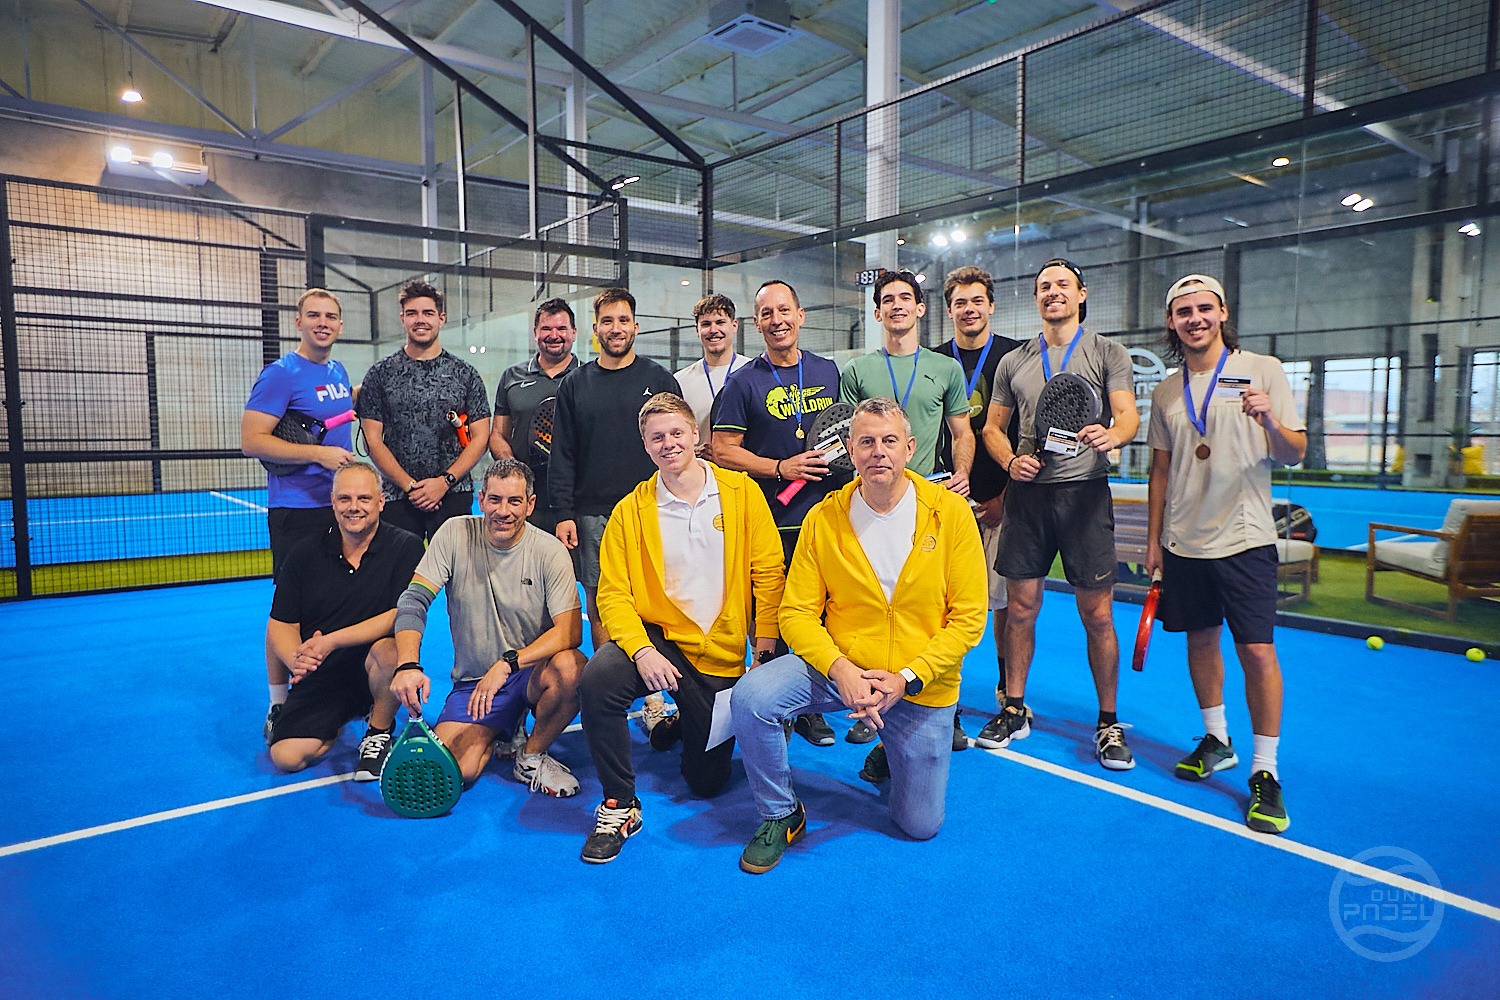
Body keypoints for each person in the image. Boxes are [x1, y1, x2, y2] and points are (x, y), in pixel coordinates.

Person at [729, 398, 986, 873]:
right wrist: (840, 669)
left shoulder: (951, 513)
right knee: (751, 698)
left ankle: (891, 749)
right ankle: (781, 813)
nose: (878, 451)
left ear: (910, 447)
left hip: (919, 684)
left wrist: (908, 677)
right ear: (850, 450)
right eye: (866, 442)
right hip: (842, 669)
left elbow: (969, 618)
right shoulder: (824, 517)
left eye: (889, 441)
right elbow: (796, 613)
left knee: (919, 825)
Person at [577, 393, 785, 863]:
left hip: (721, 656)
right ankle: (619, 804)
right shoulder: (630, 511)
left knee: (707, 781)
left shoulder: (742, 493)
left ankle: (682, 721)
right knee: (599, 679)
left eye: (676, 433)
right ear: (645, 446)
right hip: (660, 641)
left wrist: (765, 651)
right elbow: (612, 594)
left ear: (696, 435)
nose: (668, 443)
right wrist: (641, 650)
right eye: (657, 437)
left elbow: (769, 575)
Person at [1146, 274, 1306, 835]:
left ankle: (1265, 769)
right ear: (1172, 322)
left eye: (1204, 309)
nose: (1195, 318)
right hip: (1184, 541)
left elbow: (1294, 452)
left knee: (1257, 652)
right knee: (1200, 641)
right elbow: (1161, 469)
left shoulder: (1264, 370)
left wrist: (1268, 420)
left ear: (1222, 313)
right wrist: (1154, 540)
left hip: (1245, 537)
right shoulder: (1167, 392)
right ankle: (1217, 739)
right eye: (1183, 311)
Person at [980, 258, 1141, 770]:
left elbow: (1128, 414)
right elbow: (992, 428)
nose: (1053, 292)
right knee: (1020, 608)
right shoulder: (1015, 361)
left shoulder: (1107, 352)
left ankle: (1108, 721)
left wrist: (1112, 435)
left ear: (1081, 294)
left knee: (1098, 614)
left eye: (1063, 285)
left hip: (1086, 495)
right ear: (1036, 298)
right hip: (1028, 497)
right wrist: (1011, 461)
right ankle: (1014, 707)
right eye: (1044, 286)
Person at [390, 459, 587, 796]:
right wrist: (407, 664)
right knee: (457, 771)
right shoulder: (453, 533)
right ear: (481, 499)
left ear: (530, 504)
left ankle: (531, 755)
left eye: (514, 501)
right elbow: (413, 600)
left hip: (530, 672)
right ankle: (505, 729)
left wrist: (508, 663)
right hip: (475, 682)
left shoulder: (550, 551)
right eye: (494, 499)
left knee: (573, 669)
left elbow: (570, 633)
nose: (503, 511)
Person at [839, 268, 974, 753]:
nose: (896, 305)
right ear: (877, 313)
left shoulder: (946, 368)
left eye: (905, 298)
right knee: (881, 605)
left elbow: (962, 432)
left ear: (919, 308)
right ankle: (875, 703)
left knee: (936, 610)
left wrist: (963, 474)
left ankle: (943, 706)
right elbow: (849, 438)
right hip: (874, 504)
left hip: (927, 504)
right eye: (887, 300)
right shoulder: (857, 370)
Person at [712, 279, 847, 747]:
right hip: (773, 522)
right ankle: (777, 704)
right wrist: (779, 467)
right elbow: (722, 448)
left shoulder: (828, 371)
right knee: (776, 617)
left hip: (826, 517)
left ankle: (811, 707)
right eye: (767, 314)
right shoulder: (743, 381)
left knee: (823, 614)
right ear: (756, 324)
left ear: (801, 315)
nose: (777, 320)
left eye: (784, 310)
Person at [242, 287, 358, 743]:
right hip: (296, 509)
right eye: (314, 315)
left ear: (340, 325)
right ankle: (278, 703)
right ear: (299, 322)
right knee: (288, 609)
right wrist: (317, 455)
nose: (322, 323)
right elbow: (252, 440)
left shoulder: (337, 371)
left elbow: (333, 417)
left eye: (330, 316)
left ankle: (329, 691)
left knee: (333, 603)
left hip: (339, 509)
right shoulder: (280, 374)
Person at [266, 462, 424, 782]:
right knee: (286, 757)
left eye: (364, 498)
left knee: (391, 650)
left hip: (373, 667)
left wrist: (330, 641)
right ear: (333, 501)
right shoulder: (304, 552)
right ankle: (315, 714)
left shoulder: (405, 546)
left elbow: (400, 614)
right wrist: (298, 660)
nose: (354, 507)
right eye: (345, 499)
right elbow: (280, 623)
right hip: (323, 671)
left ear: (381, 502)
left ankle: (378, 732)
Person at [549, 287, 683, 652]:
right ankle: (609, 679)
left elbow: (677, 449)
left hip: (652, 510)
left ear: (636, 326)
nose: (616, 328)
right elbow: (562, 453)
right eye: (607, 321)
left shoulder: (660, 381)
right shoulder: (575, 384)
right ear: (596, 329)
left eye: (623, 320)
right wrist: (564, 513)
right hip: (592, 514)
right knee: (600, 603)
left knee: (656, 600)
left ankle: (656, 679)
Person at [933, 266, 1022, 748]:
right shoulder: (933, 360)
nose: (969, 310)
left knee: (1004, 604)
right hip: (947, 502)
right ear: (948, 310)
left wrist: (1004, 500)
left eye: (976, 301)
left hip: (1003, 502)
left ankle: (1008, 692)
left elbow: (1025, 436)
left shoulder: (1015, 356)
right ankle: (943, 698)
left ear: (991, 305)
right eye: (960, 303)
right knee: (942, 605)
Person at [356, 280, 492, 541]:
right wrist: (410, 486)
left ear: (441, 318)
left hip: (453, 493)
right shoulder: (380, 374)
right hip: (398, 496)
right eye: (412, 313)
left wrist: (445, 481)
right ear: (402, 318)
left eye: (428, 313)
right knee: (401, 567)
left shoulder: (465, 374)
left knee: (456, 567)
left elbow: (481, 437)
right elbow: (372, 441)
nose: (420, 320)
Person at [489, 297, 581, 536]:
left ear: (574, 332)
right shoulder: (512, 377)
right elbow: (497, 435)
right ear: (535, 333)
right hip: (525, 501)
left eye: (561, 328)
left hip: (577, 503)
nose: (554, 335)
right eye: (546, 328)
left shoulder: (588, 378)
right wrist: (515, 469)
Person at [674, 292, 752, 454]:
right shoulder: (680, 381)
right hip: (701, 469)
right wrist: (695, 453)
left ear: (734, 326)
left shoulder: (754, 373)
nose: (713, 330)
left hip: (749, 468)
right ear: (697, 330)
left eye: (720, 322)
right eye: (706, 324)